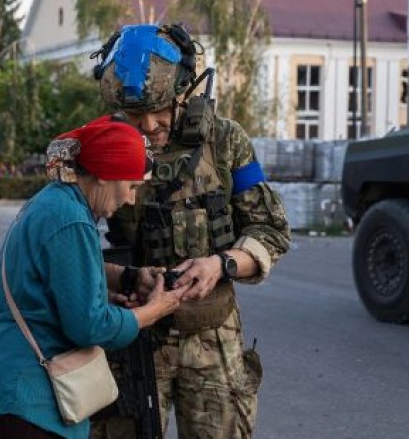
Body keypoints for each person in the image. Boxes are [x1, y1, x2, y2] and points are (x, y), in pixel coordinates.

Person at [91, 24, 292, 439]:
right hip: (135, 337)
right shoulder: (104, 145)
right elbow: (69, 235)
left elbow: (270, 229)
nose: (147, 125)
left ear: (184, 91)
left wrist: (221, 264)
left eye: (158, 109)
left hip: (213, 340)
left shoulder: (224, 140)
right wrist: (114, 281)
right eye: (134, 115)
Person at [0, 116, 188, 439]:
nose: (131, 198)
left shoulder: (48, 203)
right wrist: (152, 311)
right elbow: (90, 326)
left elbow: (54, 280)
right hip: (22, 409)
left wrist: (120, 282)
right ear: (104, 176)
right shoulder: (72, 218)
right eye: (131, 186)